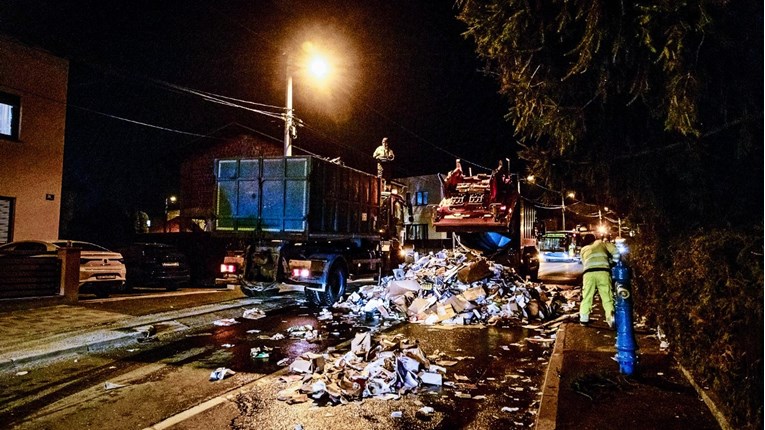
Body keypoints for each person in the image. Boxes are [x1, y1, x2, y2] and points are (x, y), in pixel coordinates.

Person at [578, 233, 618, 327]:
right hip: (603, 272)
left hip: (589, 274)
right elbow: (615, 251)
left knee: (587, 296)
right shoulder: (601, 243)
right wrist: (613, 262)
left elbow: (584, 263)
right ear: (594, 238)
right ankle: (610, 319)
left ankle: (584, 319)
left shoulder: (583, 249)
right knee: (607, 296)